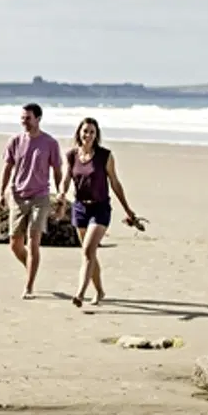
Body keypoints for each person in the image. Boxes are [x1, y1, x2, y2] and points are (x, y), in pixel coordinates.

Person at [56, 117, 142, 308]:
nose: (88, 135)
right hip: (79, 208)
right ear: (79, 132)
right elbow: (66, 178)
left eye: (92, 132)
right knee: (90, 253)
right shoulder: (71, 155)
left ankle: (79, 294)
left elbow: (115, 183)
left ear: (97, 135)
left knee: (87, 250)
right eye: (85, 131)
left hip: (100, 208)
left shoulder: (105, 156)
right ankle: (100, 291)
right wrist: (62, 193)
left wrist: (128, 210)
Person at [0, 102, 63, 299]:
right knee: (15, 244)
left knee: (34, 241)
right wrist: (1, 193)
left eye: (28, 118)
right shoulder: (15, 141)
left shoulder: (50, 143)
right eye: (22, 118)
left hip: (40, 197)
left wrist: (61, 195)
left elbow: (58, 171)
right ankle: (30, 266)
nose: (24, 122)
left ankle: (29, 286)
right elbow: (7, 168)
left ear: (38, 119)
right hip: (18, 196)